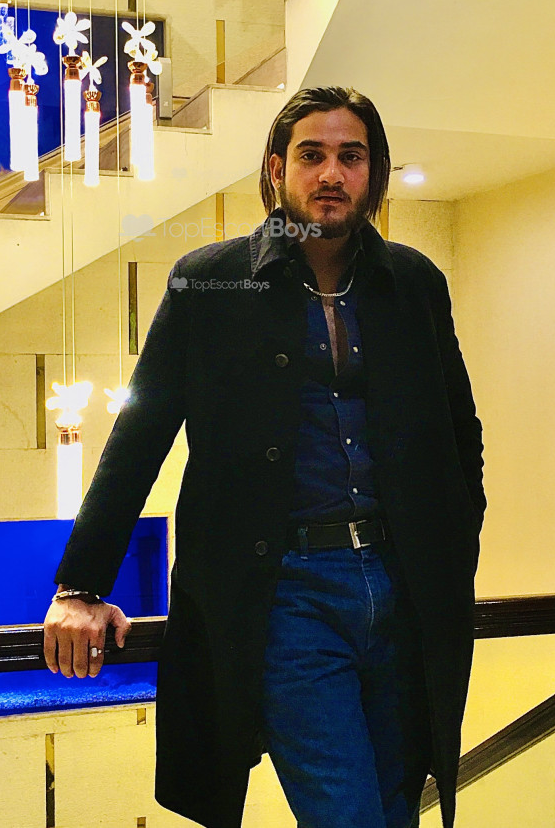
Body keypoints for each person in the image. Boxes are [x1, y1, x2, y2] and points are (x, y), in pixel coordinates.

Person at [45, 86, 486, 828]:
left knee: (398, 809)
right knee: (346, 815)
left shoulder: (415, 284)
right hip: (288, 596)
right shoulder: (210, 282)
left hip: (405, 588)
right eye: (312, 155)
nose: (331, 174)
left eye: (351, 157)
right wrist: (81, 585)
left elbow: (460, 432)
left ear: (373, 172)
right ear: (278, 169)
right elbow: (139, 439)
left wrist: (455, 550)